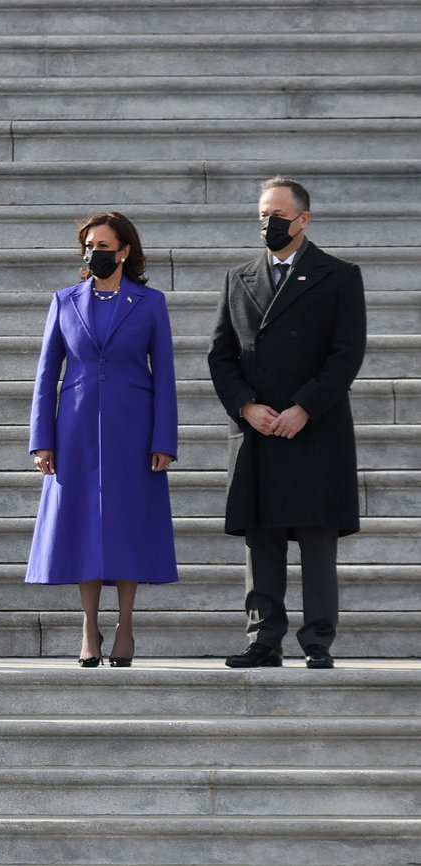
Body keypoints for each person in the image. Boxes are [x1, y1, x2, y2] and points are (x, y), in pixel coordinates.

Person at [209, 177, 366, 670]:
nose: (267, 223)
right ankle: (264, 638)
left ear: (303, 219)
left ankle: (318, 639)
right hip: (258, 429)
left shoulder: (338, 275)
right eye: (262, 214)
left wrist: (305, 407)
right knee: (264, 538)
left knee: (317, 539)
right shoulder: (240, 278)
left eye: (277, 214)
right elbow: (221, 355)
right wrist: (246, 407)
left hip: (315, 426)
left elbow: (347, 353)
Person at [26, 212, 178, 667]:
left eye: (105, 243)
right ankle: (88, 626)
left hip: (133, 428)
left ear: (125, 250)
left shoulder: (149, 302)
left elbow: (165, 376)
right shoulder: (64, 300)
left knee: (128, 525)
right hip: (75, 431)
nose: (96, 251)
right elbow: (46, 374)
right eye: (89, 244)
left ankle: (125, 624)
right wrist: (42, 440)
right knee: (84, 527)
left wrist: (163, 438)